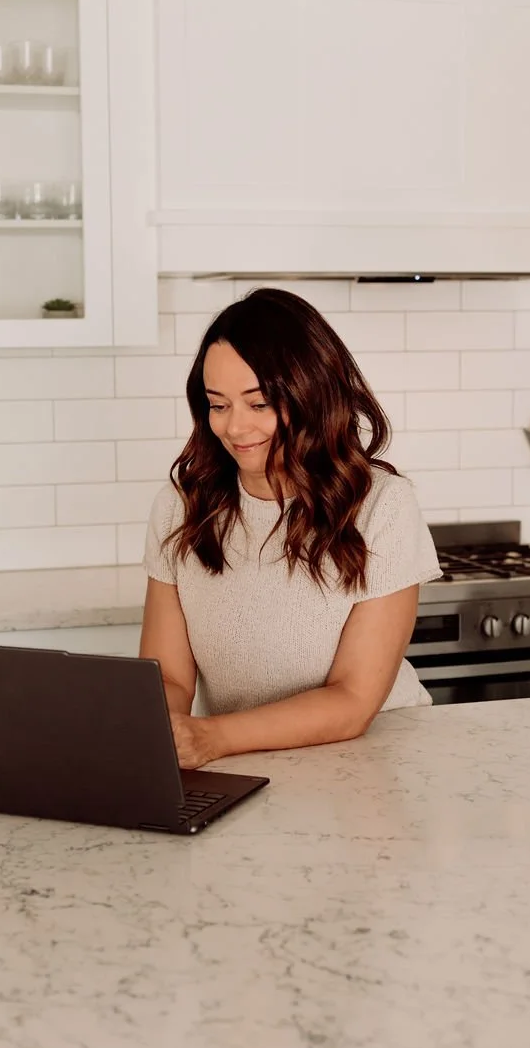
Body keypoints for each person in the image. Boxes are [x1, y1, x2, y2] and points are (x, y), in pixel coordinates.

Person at [140, 287, 441, 770]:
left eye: (259, 405)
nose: (235, 428)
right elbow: (169, 679)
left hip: (373, 763)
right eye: (218, 405)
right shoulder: (182, 508)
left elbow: (352, 701)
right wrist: (153, 734)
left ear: (311, 396)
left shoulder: (381, 506)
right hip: (247, 763)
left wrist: (211, 737)